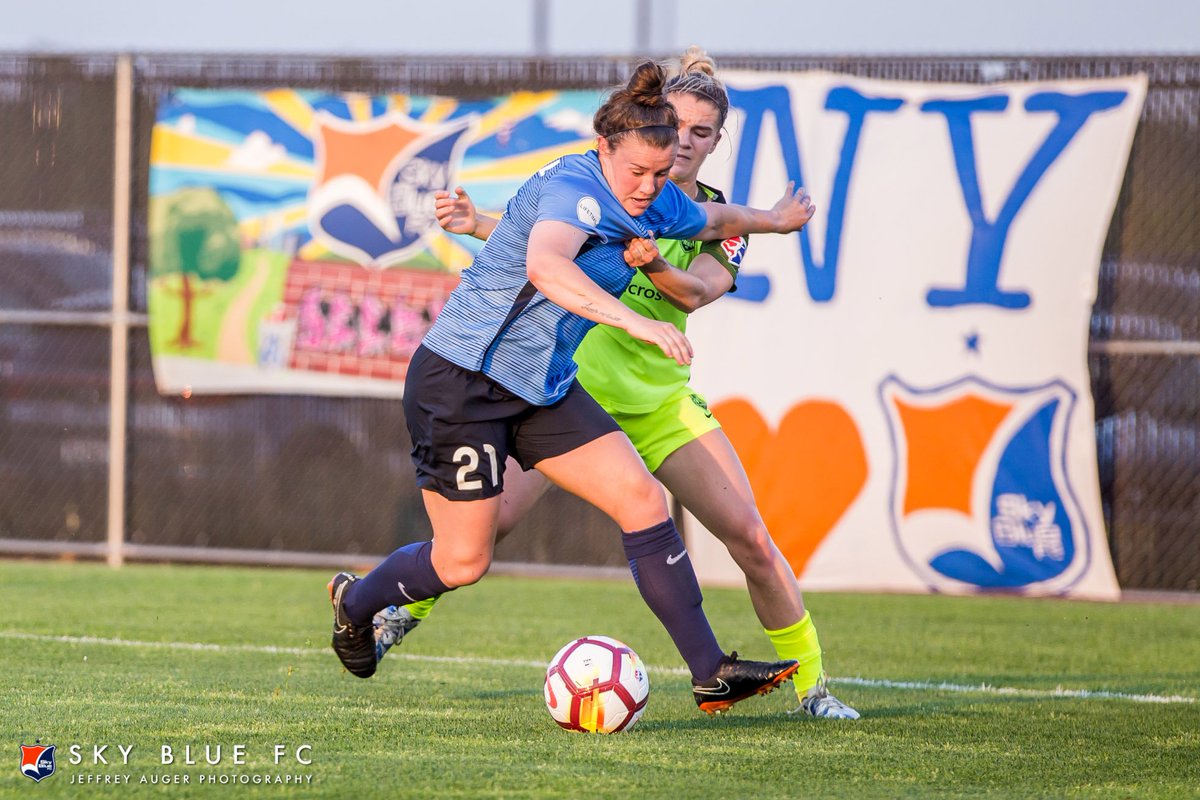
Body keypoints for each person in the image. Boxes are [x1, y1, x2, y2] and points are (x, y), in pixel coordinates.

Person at [377, 47, 859, 720]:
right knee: (487, 525)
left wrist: (721, 241)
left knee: (748, 534)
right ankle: (390, 611)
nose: (684, 142)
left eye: (699, 133)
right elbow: (551, 248)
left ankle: (813, 689)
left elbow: (694, 294)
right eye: (675, 127)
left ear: (717, 142)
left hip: (659, 398)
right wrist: (479, 223)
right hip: (575, 385)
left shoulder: (704, 215)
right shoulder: (608, 187)